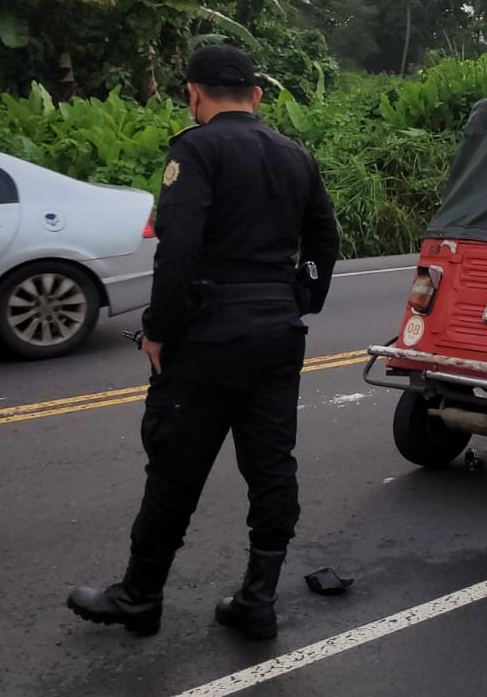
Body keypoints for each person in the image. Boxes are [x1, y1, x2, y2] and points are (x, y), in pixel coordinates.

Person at [67, 45, 339, 640]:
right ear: (257, 97)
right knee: (271, 466)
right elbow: (324, 241)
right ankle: (257, 599)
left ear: (193, 94)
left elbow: (178, 249)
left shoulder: (196, 148)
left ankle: (140, 596)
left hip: (210, 336)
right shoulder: (297, 155)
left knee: (175, 465)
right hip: (277, 333)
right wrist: (299, 299)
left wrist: (160, 329)